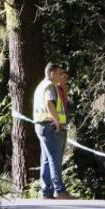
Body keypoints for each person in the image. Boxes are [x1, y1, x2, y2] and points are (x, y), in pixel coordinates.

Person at [33, 63, 74, 200]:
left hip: (42, 125)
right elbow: (49, 103)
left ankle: (46, 191)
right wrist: (57, 121)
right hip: (51, 126)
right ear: (52, 73)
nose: (61, 75)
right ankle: (59, 190)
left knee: (46, 159)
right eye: (59, 73)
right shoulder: (50, 86)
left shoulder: (41, 86)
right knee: (55, 159)